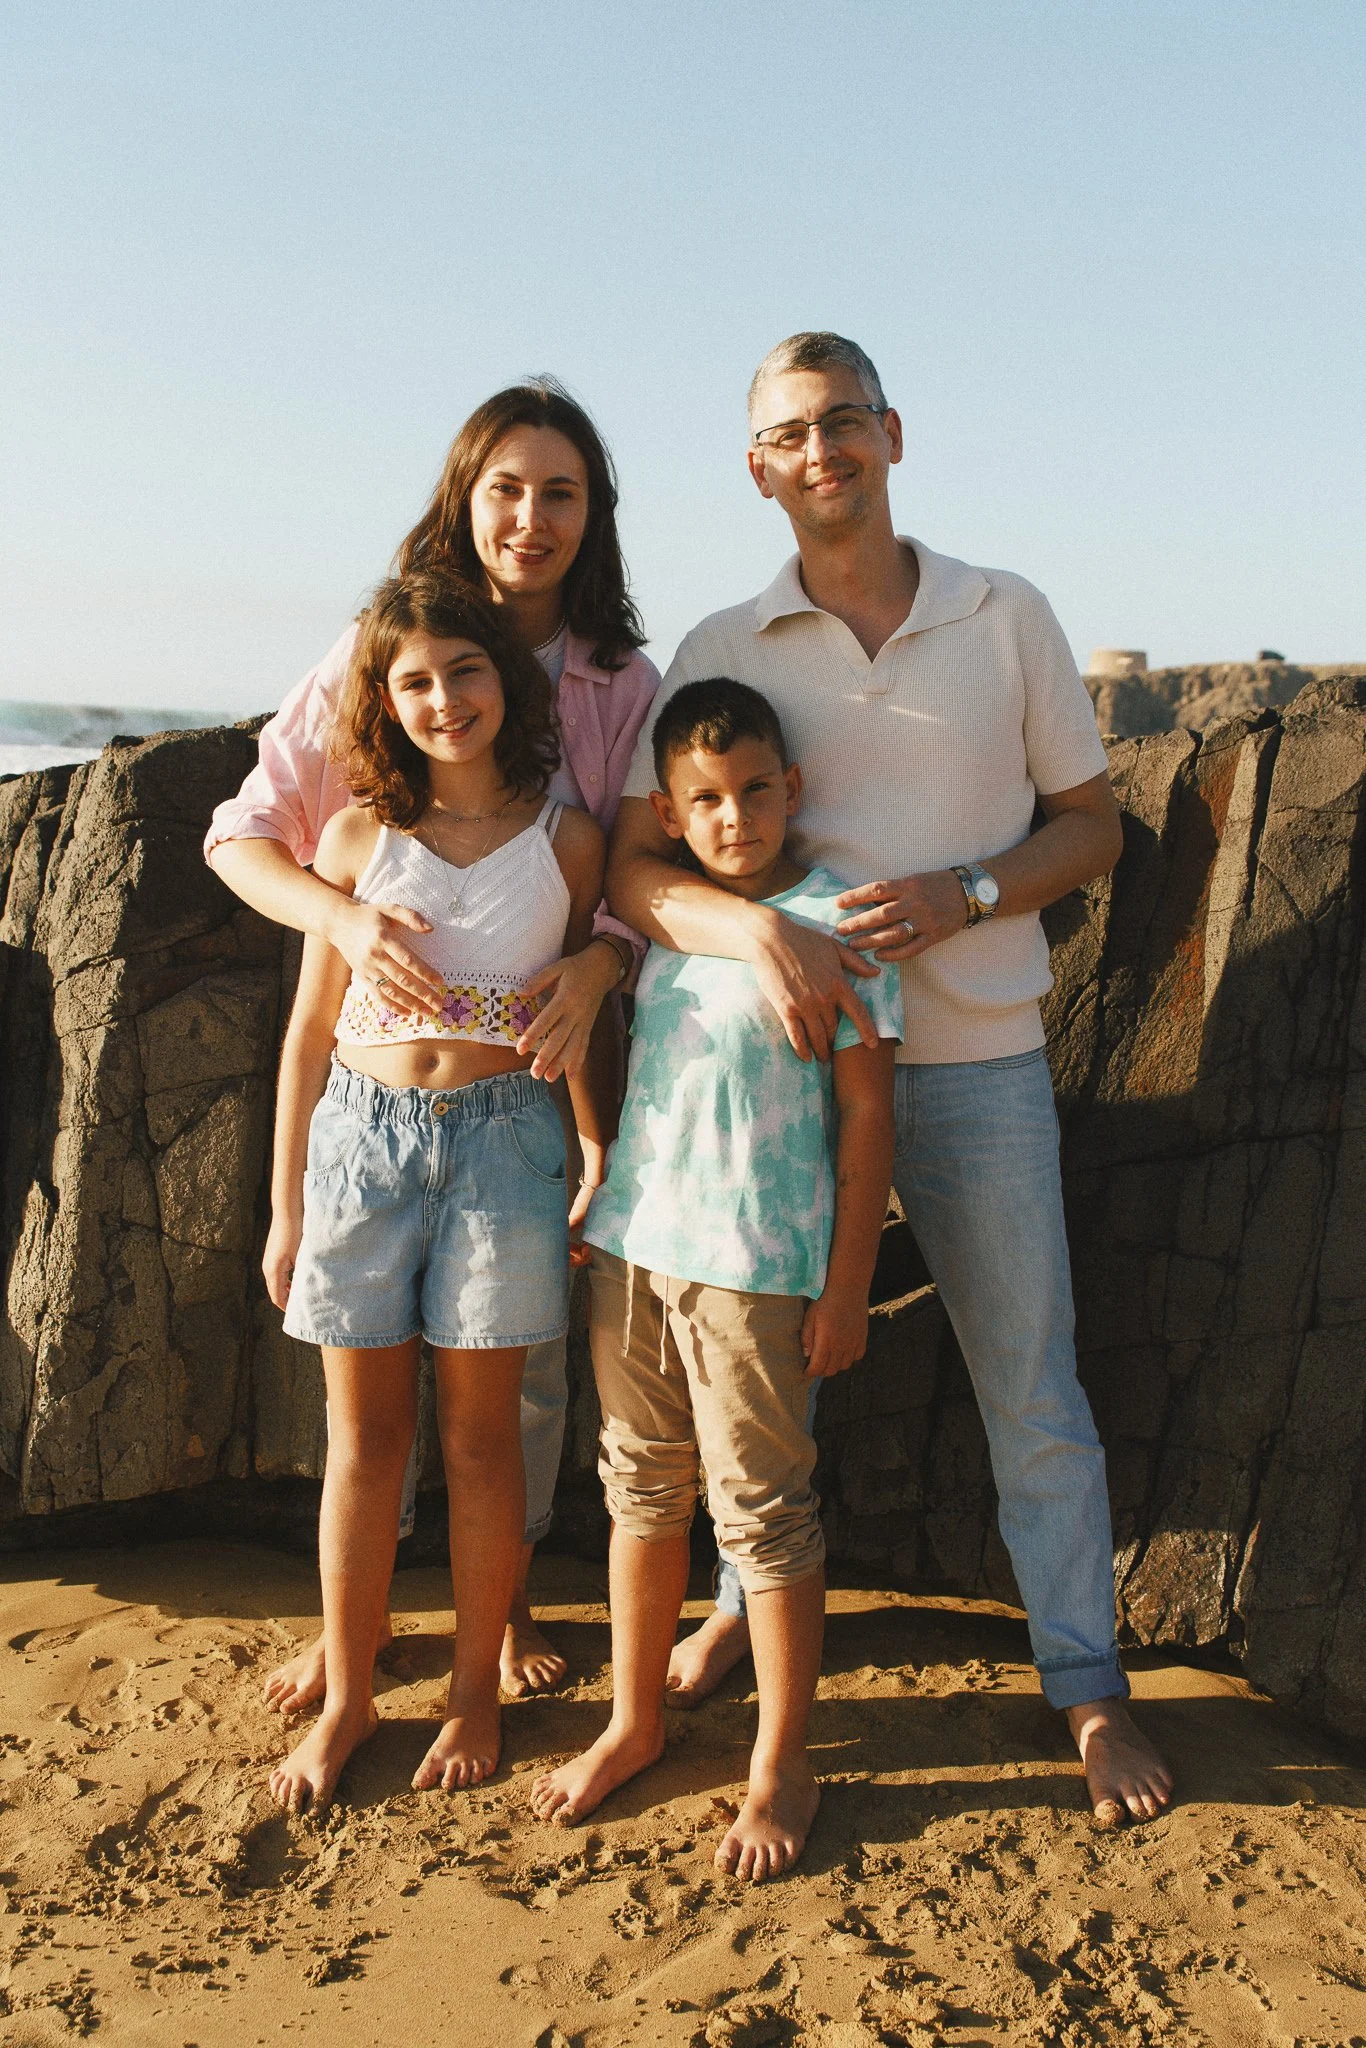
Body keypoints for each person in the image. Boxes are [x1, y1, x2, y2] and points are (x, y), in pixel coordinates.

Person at [606, 332, 1174, 1827]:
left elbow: (1092, 826)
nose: (818, 453)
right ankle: (739, 1599)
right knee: (758, 1378)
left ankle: (1085, 1689)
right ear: (755, 469)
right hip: (783, 1089)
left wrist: (963, 894)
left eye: (841, 422)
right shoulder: (722, 644)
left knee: (1029, 1385)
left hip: (976, 1059)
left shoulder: (1006, 614)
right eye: (787, 435)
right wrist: (756, 937)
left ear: (890, 433)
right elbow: (634, 860)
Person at [206, 381, 658, 1707]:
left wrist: (599, 960)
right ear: (462, 497)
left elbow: (635, 873)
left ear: (594, 515)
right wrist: (342, 918)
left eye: (560, 490)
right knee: (366, 1414)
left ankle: (493, 1620)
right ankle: (358, 1638)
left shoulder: (617, 682)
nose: (530, 517)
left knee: (502, 1396)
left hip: (530, 1073)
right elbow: (246, 833)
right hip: (373, 1081)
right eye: (504, 487)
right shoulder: (381, 650)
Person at [532, 679, 900, 1879]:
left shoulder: (835, 918)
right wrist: (601, 1179)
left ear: (791, 789)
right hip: (636, 1244)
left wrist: (846, 1284)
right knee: (638, 1488)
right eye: (705, 799)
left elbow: (865, 1112)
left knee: (764, 1514)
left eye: (753, 790)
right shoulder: (670, 918)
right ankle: (634, 1719)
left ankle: (780, 1761)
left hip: (755, 1266)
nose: (733, 815)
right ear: (671, 814)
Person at [263, 569, 616, 1813]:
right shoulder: (356, 837)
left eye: (463, 670)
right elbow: (308, 1031)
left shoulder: (567, 837)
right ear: (380, 698)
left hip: (505, 1141)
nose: (441, 698)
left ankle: (474, 1687)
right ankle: (353, 1690)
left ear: (503, 680)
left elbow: (581, 1015)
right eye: (411, 680)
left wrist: (591, 1149)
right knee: (364, 1441)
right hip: (359, 1140)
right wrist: (284, 1205)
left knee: (479, 1438)